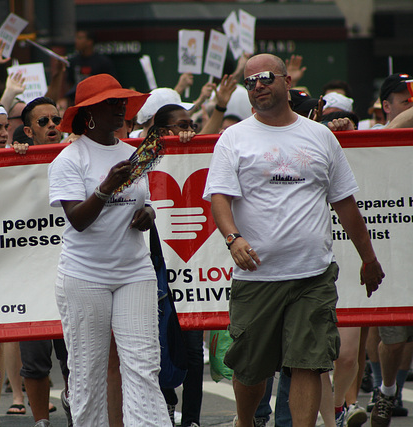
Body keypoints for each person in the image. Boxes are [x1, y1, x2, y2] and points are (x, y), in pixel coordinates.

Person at [202, 54, 385, 427]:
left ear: (288, 82)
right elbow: (218, 196)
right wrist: (232, 238)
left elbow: (345, 203)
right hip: (257, 276)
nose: (258, 85)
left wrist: (369, 258)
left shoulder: (319, 136)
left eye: (266, 77)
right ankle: (246, 421)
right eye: (250, 82)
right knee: (251, 369)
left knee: (308, 361)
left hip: (312, 276)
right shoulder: (233, 139)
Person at [48, 73, 171, 426]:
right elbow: (78, 220)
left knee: (145, 367)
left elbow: (143, 204)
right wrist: (105, 188)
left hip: (135, 271)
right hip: (84, 277)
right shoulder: (70, 160)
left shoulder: (133, 154)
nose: (120, 107)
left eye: (122, 102)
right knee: (87, 374)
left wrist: (148, 214)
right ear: (88, 114)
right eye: (110, 103)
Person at [149, 104, 201, 427]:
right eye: (182, 124)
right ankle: (165, 405)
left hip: (193, 270)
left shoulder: (196, 153)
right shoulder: (139, 156)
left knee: (194, 353)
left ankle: (192, 420)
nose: (189, 130)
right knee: (155, 348)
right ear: (160, 132)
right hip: (154, 269)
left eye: (192, 123)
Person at [368, 72, 413, 427]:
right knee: (394, 339)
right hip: (396, 257)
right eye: (405, 100)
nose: (410, 105)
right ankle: (385, 390)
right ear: (386, 106)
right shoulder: (378, 140)